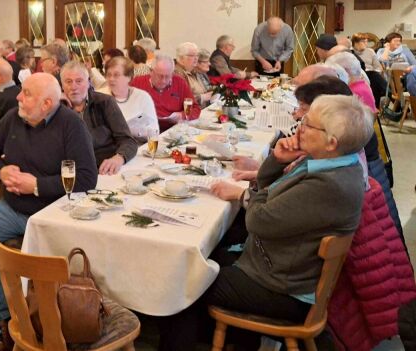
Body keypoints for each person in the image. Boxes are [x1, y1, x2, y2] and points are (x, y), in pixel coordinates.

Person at [159, 95, 374, 350]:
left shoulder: (329, 183)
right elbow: (268, 192)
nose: (299, 125)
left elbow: (258, 220)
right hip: (279, 265)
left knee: (184, 281)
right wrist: (277, 160)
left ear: (331, 143)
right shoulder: (328, 163)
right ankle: (239, 340)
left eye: (308, 124)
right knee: (202, 255)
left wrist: (253, 195)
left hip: (282, 288)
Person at [0, 72, 98, 351]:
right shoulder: (14, 118)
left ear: (47, 103)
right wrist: (0, 168)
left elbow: (85, 179)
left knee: (77, 256)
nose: (19, 97)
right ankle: (4, 320)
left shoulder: (71, 126)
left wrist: (37, 186)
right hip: (13, 209)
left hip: (54, 213)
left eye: (27, 94)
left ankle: (73, 314)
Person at [61, 61, 138, 174]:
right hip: (72, 172)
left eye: (79, 81)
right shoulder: (57, 109)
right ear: (62, 85)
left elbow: (128, 140)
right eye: (68, 82)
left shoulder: (105, 102)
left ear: (88, 83)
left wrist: (119, 158)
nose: (73, 87)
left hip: (105, 169)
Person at [131, 54, 201, 131]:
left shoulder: (179, 82)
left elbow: (195, 108)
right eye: (160, 76)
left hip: (173, 130)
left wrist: (182, 115)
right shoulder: (137, 83)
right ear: (151, 72)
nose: (163, 81)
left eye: (167, 76)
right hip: (146, 131)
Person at [97, 56, 158, 140]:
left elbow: (154, 131)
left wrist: (132, 131)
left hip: (138, 146)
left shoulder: (142, 97)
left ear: (129, 77)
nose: (111, 79)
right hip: (107, 148)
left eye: (116, 75)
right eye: (108, 75)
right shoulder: (98, 96)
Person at [376, 32, 416, 96]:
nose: (398, 43)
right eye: (395, 41)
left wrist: (409, 68)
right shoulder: (381, 51)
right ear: (388, 42)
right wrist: (387, 49)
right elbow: (381, 61)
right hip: (389, 78)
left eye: (399, 41)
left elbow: (414, 64)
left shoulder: (405, 50)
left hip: (405, 75)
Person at [352, 33, 386, 106]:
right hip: (358, 75)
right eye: (363, 42)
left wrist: (375, 71)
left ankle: (374, 109)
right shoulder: (350, 52)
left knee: (374, 78)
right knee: (374, 77)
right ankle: (391, 95)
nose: (366, 44)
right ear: (356, 42)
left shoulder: (370, 51)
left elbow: (378, 67)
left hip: (372, 75)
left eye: (367, 41)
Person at [174, 42, 212, 107]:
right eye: (192, 55)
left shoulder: (193, 71)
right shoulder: (177, 73)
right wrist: (202, 97)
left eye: (197, 55)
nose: (196, 58)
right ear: (181, 58)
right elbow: (180, 100)